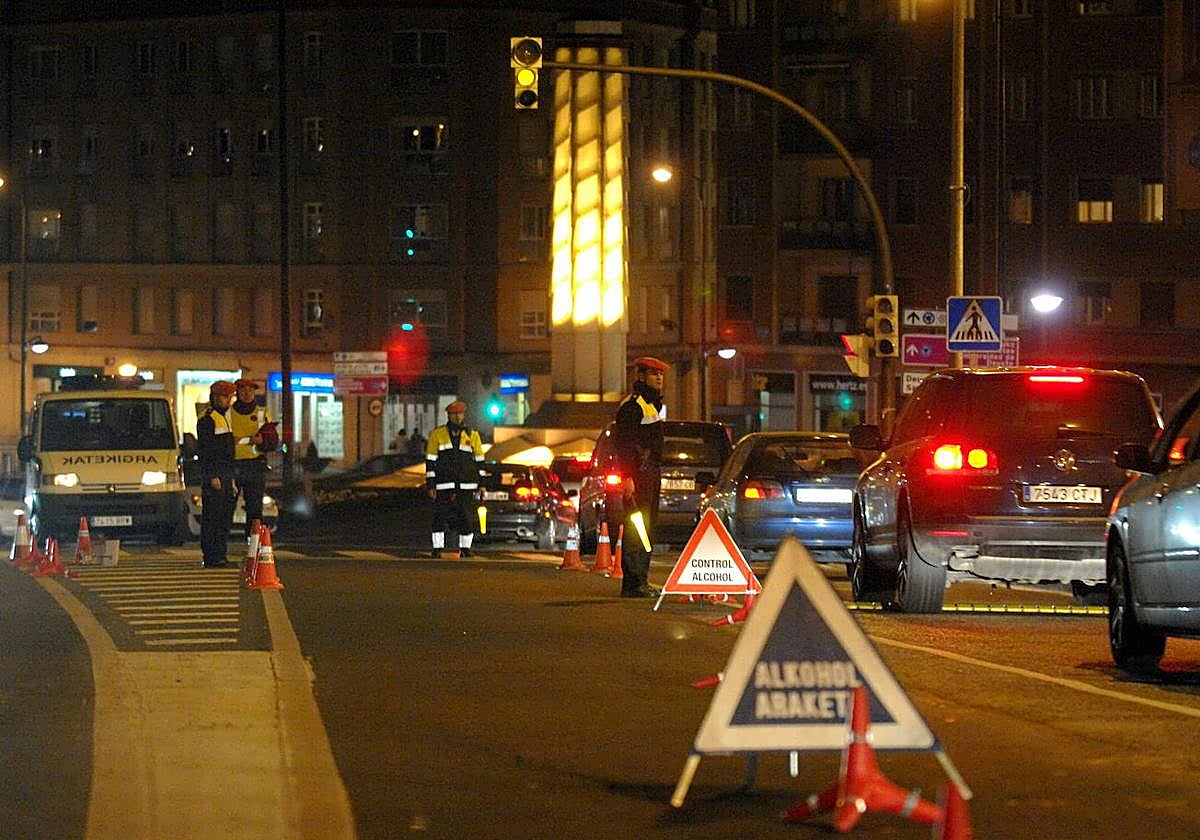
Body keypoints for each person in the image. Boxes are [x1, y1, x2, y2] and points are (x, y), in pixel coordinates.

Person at [610, 357, 670, 597]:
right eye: (654, 374)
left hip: (651, 473)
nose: (659, 378)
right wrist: (628, 477)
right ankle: (633, 582)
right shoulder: (632, 406)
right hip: (638, 475)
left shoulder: (651, 405)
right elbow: (624, 445)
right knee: (637, 527)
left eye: (661, 374)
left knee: (647, 527)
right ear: (641, 376)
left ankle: (640, 580)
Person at [425, 401, 485, 558]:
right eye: (454, 414)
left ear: (464, 415)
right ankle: (437, 548)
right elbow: (431, 461)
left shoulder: (472, 435)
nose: (457, 417)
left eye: (460, 413)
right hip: (444, 483)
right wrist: (431, 485)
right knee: (440, 515)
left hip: (466, 484)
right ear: (449, 416)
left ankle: (466, 548)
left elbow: (480, 461)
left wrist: (482, 484)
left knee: (466, 517)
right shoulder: (437, 434)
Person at [196, 381, 237, 568]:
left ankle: (220, 553)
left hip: (226, 474)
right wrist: (212, 475)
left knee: (224, 517)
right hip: (216, 475)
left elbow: (227, 451)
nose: (228, 400)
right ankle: (212, 555)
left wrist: (232, 478)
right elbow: (206, 450)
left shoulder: (223, 417)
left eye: (229, 397)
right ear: (215, 398)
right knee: (213, 516)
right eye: (225, 397)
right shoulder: (208, 419)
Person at [229, 378, 277, 539]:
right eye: (243, 390)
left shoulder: (262, 413)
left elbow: (272, 439)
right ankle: (223, 539)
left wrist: (262, 440)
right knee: (227, 505)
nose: (247, 393)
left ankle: (254, 541)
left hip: (255, 465)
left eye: (250, 389)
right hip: (233, 465)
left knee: (255, 507)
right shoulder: (228, 413)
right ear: (237, 392)